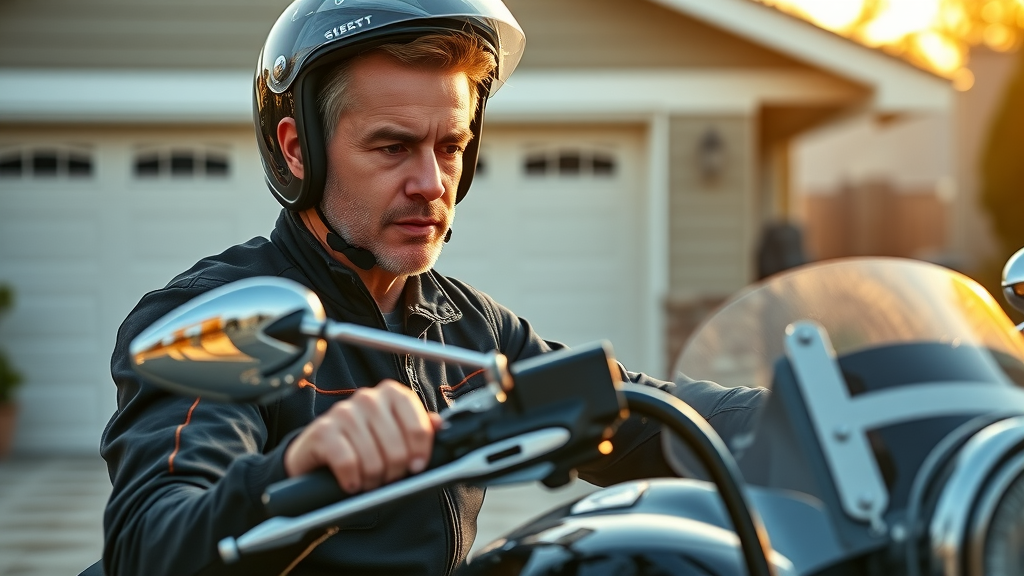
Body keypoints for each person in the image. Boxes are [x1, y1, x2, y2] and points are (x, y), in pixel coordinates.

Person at [98, 1, 765, 575]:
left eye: (449, 146)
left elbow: (636, 410)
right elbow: (152, 542)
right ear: (299, 150)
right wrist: (297, 470)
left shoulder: (467, 327)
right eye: (392, 148)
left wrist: (825, 405)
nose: (431, 183)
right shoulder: (222, 320)